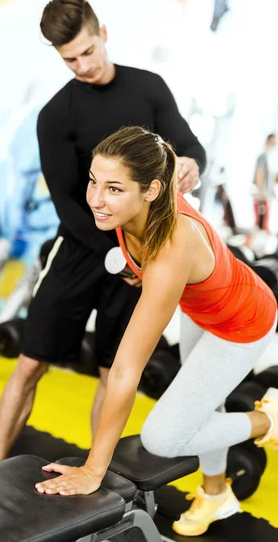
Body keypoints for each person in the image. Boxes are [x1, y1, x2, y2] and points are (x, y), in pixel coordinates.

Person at [0, 0, 206, 464]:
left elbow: (189, 145)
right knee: (29, 364)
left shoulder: (148, 89)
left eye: (88, 51)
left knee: (114, 370)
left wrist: (190, 163)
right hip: (83, 250)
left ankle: (95, 473)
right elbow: (69, 204)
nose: (83, 66)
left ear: (103, 34)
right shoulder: (56, 115)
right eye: (70, 59)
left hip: (143, 252)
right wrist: (120, 254)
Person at [35, 126, 277, 538]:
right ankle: (216, 494)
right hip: (202, 308)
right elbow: (163, 160)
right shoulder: (144, 196)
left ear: (150, 191)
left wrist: (95, 468)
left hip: (242, 321)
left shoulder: (170, 248)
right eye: (94, 181)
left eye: (113, 189)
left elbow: (126, 371)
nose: (96, 198)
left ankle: (268, 420)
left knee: (163, 439)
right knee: (206, 406)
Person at [253, 133, 277, 232]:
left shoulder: (269, 158)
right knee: (260, 224)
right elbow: (259, 173)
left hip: (266, 195)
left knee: (264, 223)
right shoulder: (263, 156)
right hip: (262, 196)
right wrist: (261, 192)